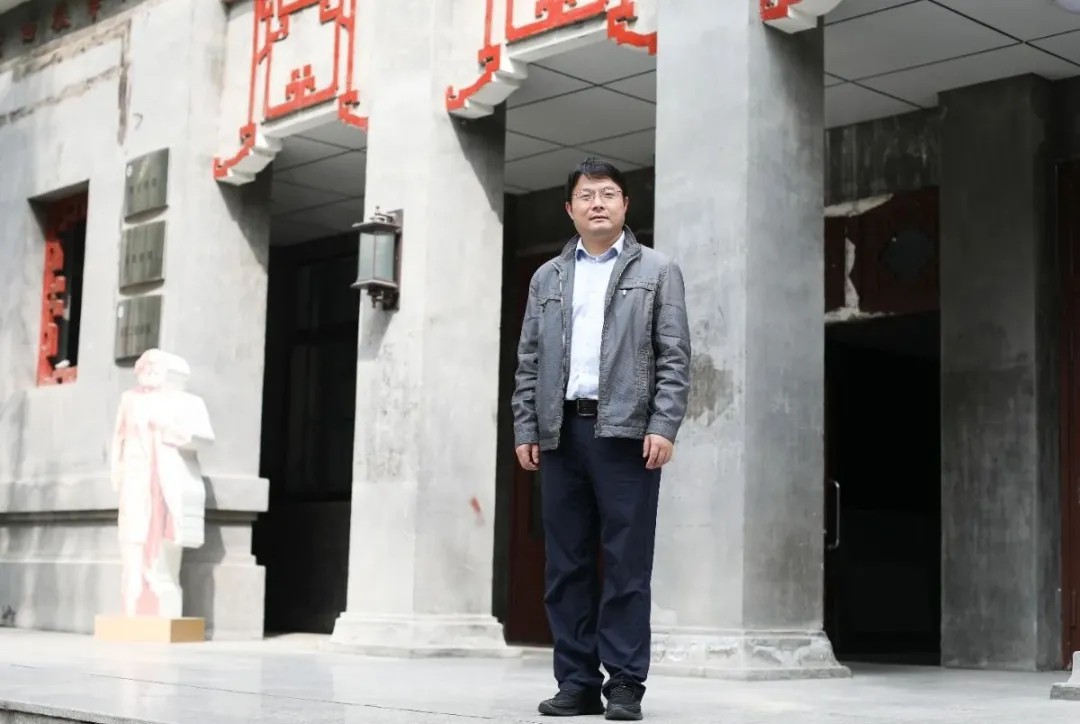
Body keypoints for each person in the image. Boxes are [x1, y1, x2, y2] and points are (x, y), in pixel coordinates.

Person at [511, 158, 691, 720]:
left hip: (626, 435)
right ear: (570, 209)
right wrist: (526, 425)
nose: (597, 204)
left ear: (625, 205)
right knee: (566, 566)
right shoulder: (547, 278)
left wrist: (663, 424)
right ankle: (577, 682)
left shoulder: (658, 271)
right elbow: (529, 360)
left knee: (626, 564)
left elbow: (675, 356)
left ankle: (625, 684)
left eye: (608, 194)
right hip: (560, 433)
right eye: (586, 195)